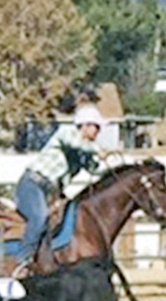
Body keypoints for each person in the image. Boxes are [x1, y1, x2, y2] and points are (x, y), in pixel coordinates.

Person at [14, 104, 107, 263]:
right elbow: (77, 144)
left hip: (50, 191)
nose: (98, 132)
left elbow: (93, 168)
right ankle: (23, 258)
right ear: (85, 125)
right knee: (39, 216)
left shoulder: (83, 151)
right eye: (96, 127)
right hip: (33, 184)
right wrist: (98, 150)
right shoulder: (66, 133)